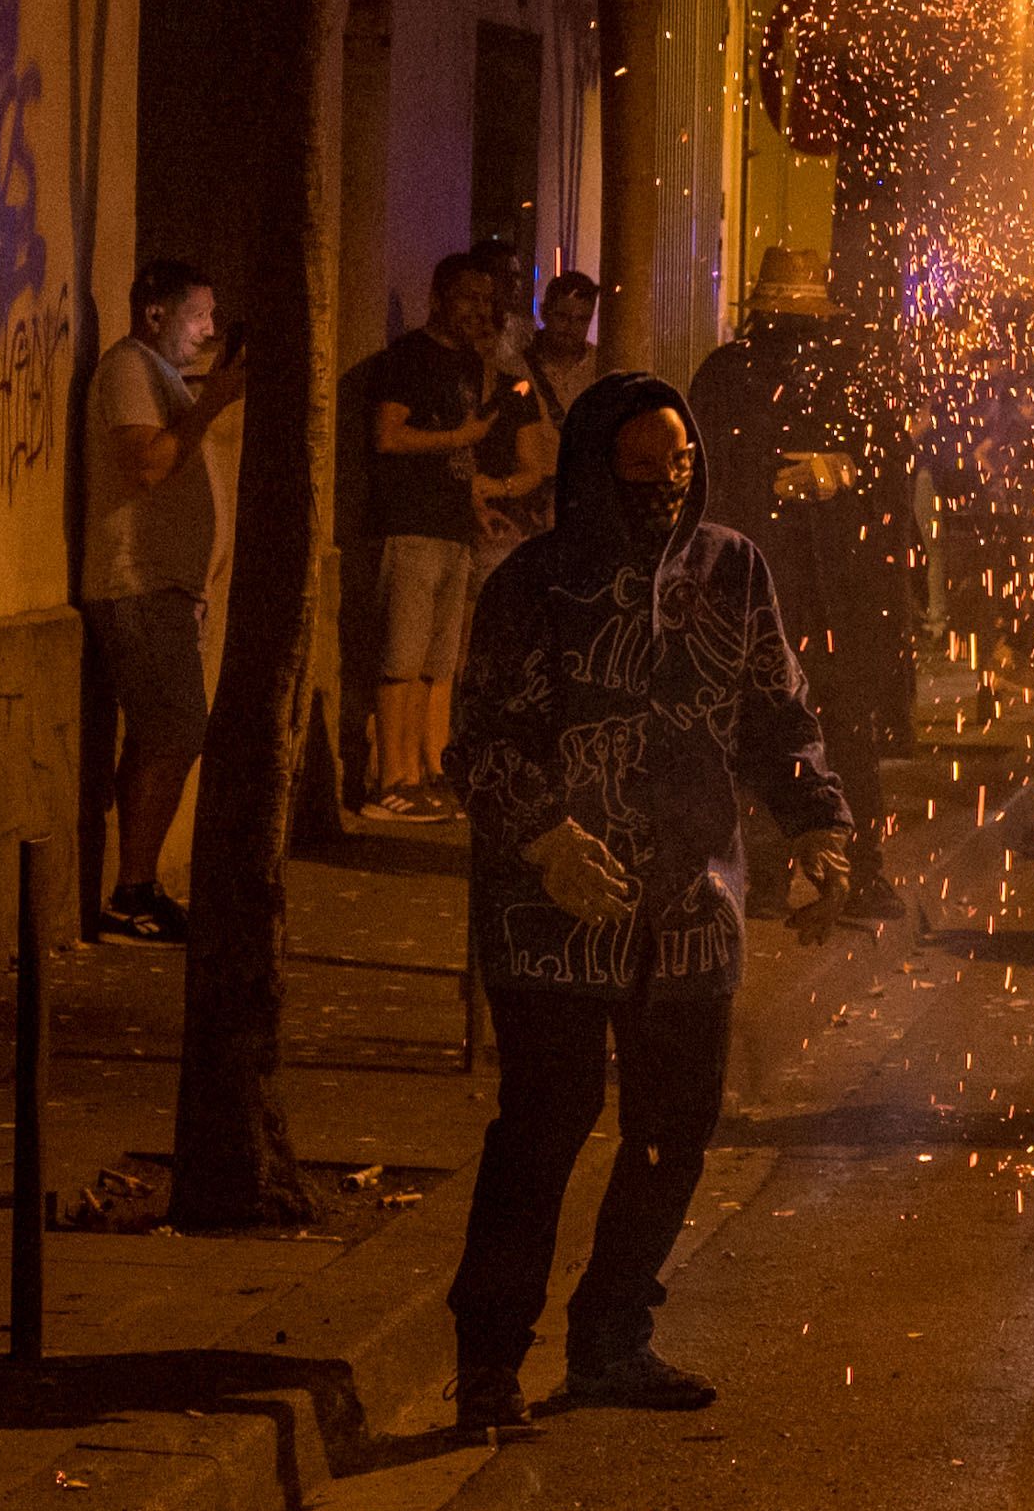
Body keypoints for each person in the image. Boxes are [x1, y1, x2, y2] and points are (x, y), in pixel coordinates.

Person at [446, 373, 853, 1428]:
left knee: (674, 1126)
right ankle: (488, 1360)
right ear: (594, 470)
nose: (663, 487)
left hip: (690, 901)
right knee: (544, 1123)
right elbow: (481, 738)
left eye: (677, 466)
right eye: (638, 470)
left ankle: (613, 1335)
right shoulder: (532, 584)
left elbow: (775, 707)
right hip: (553, 913)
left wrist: (817, 825)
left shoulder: (732, 570)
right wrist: (540, 836)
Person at [689, 248, 915, 926]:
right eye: (784, 318)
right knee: (754, 729)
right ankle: (755, 873)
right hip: (758, 587)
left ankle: (861, 867)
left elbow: (891, 468)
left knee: (845, 731)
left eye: (802, 319)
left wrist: (840, 475)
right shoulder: (727, 376)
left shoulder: (850, 379)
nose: (792, 332)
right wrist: (768, 484)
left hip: (837, 590)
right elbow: (705, 471)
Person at [79, 259, 248, 941]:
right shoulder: (129, 370)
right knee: (178, 728)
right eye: (198, 315)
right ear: (155, 315)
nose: (208, 331)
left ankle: (137, 885)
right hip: (138, 584)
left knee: (165, 731)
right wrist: (211, 403)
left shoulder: (167, 377)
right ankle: (131, 892)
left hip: (169, 589)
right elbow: (145, 464)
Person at [363, 253, 506, 825]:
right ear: (439, 297)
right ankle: (391, 780)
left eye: (486, 298)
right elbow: (388, 436)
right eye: (467, 296)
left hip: (452, 526)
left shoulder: (470, 364)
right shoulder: (407, 359)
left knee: (437, 662)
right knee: (402, 657)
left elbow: (464, 453)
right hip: (411, 522)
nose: (478, 308)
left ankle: (423, 771)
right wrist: (462, 435)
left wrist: (476, 502)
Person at [473, 267, 598, 568]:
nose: (571, 328)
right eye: (562, 317)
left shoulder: (602, 366)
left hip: (580, 502)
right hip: (527, 502)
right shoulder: (514, 369)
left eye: (581, 320)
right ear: (544, 312)